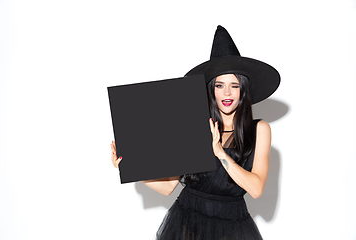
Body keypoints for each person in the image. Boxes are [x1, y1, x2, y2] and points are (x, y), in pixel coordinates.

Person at [110, 25, 280, 240]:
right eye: (219, 85)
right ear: (211, 90)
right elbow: (168, 187)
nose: (227, 92)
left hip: (232, 226)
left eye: (234, 85)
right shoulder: (195, 125)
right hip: (187, 221)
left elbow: (256, 189)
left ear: (243, 90)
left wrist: (221, 154)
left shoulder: (259, 129)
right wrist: (130, 167)